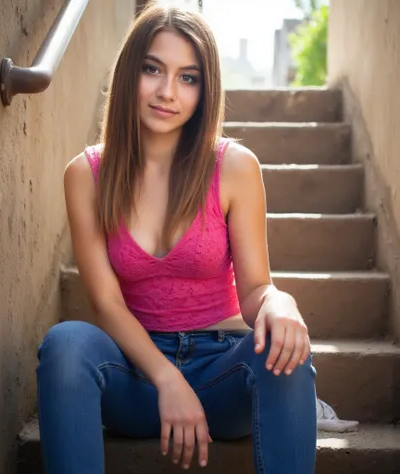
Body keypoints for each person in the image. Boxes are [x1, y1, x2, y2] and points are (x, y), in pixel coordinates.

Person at [36, 3, 319, 473]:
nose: (167, 92)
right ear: (130, 73)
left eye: (188, 77)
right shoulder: (86, 175)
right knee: (65, 344)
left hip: (219, 375)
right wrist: (166, 378)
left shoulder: (233, 167)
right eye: (153, 69)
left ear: (205, 90)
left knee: (282, 349)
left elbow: (253, 291)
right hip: (134, 376)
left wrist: (279, 301)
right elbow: (106, 303)